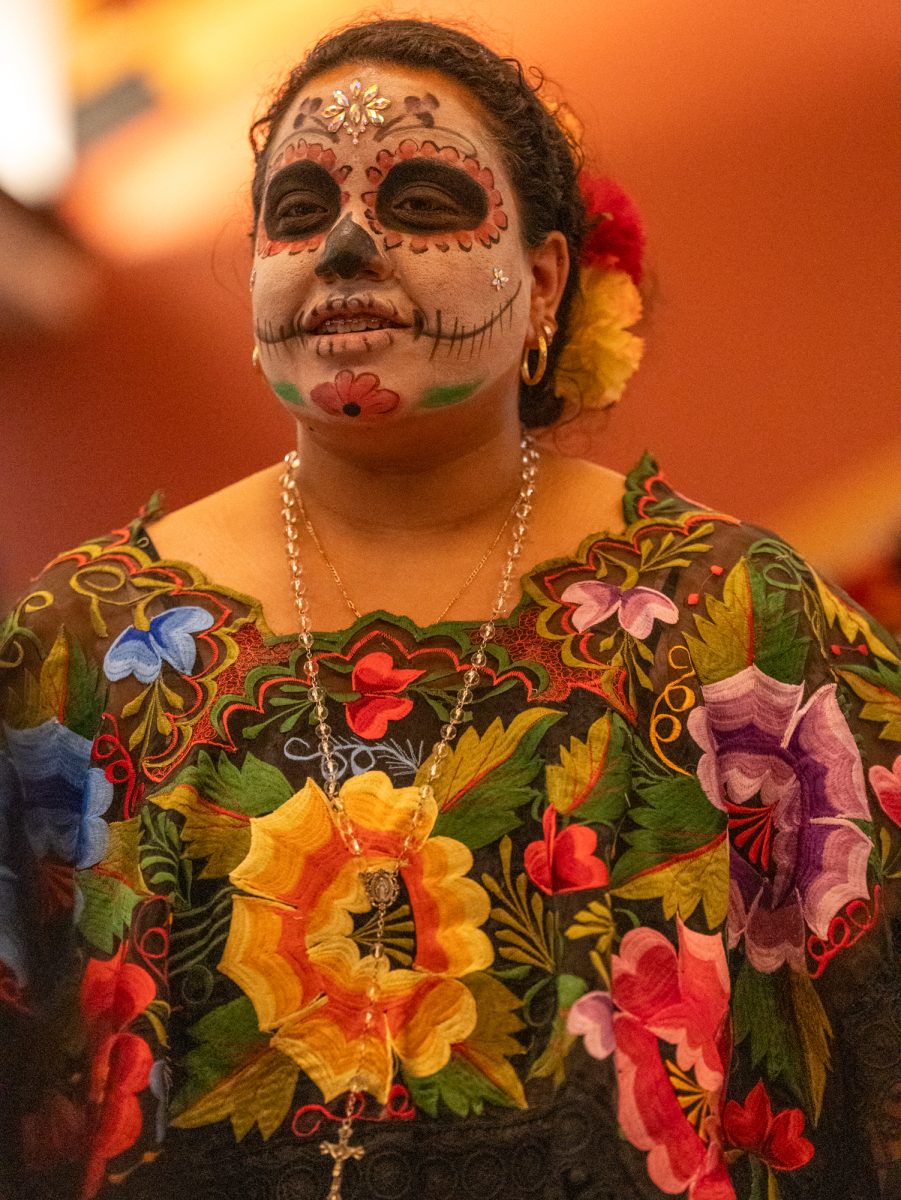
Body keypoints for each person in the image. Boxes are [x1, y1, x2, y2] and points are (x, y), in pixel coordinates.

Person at [1, 17, 899, 1200]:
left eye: (422, 203)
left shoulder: (730, 618)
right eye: (300, 209)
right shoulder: (88, 639)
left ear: (543, 282)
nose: (347, 246)